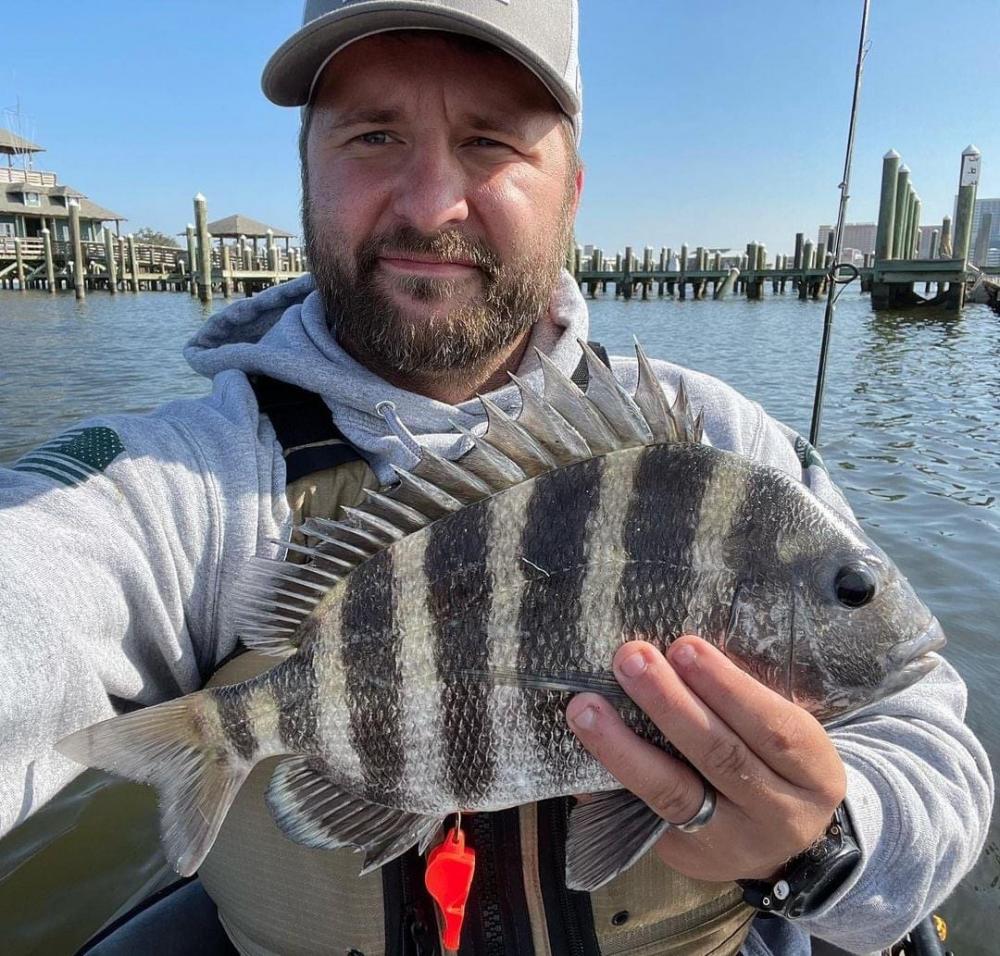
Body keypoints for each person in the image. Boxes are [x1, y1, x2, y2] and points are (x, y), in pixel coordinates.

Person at [0, 2, 991, 954]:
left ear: (572, 185)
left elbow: (933, 750)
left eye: (491, 141)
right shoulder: (191, 479)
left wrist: (818, 840)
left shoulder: (729, 447)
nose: (432, 203)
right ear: (306, 163)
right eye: (373, 136)